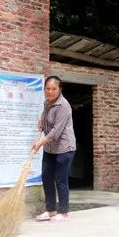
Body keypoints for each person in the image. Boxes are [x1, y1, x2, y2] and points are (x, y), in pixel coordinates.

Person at [33, 76, 76, 223]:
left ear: (59, 89)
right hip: (50, 148)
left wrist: (39, 143)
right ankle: (51, 210)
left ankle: (63, 212)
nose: (50, 92)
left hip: (64, 148)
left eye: (54, 89)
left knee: (60, 179)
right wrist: (41, 121)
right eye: (48, 89)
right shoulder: (47, 103)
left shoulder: (64, 105)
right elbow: (47, 121)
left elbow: (56, 131)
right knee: (46, 177)